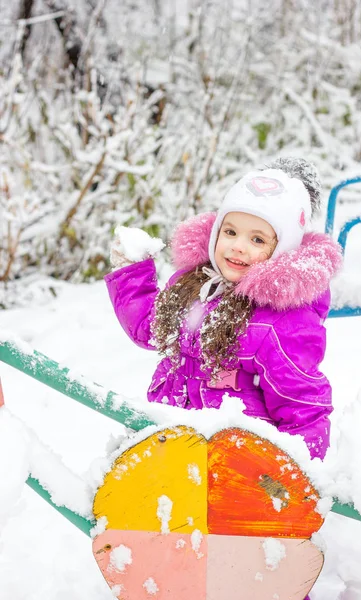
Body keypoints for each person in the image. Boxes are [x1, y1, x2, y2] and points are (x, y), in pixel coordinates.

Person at [105, 157, 342, 460]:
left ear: (282, 248)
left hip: (237, 469)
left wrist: (290, 483)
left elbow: (302, 408)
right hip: (171, 448)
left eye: (257, 239)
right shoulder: (195, 286)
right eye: (230, 232)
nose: (238, 246)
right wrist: (132, 274)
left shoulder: (280, 323)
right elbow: (152, 329)